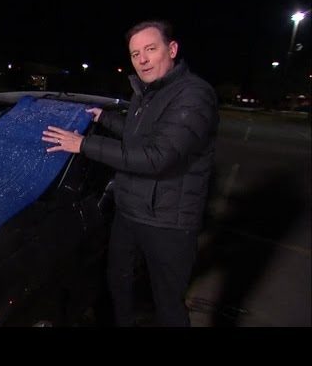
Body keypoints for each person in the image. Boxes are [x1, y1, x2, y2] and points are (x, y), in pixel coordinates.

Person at [42, 20, 218, 327]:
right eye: (136, 54)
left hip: (169, 222)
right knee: (118, 286)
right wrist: (104, 118)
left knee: (167, 304)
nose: (143, 60)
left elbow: (156, 157)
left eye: (150, 49)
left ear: (172, 49)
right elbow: (138, 136)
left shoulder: (194, 95)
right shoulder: (144, 93)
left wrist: (83, 144)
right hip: (130, 211)